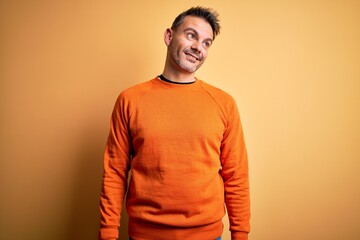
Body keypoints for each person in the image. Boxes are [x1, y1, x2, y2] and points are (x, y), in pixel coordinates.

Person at [99, 6, 250, 240]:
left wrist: (240, 235)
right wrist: (108, 233)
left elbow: (236, 176)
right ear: (169, 36)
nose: (198, 47)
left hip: (207, 236)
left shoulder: (224, 103)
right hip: (145, 235)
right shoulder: (130, 99)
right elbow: (114, 172)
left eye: (206, 42)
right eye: (191, 35)